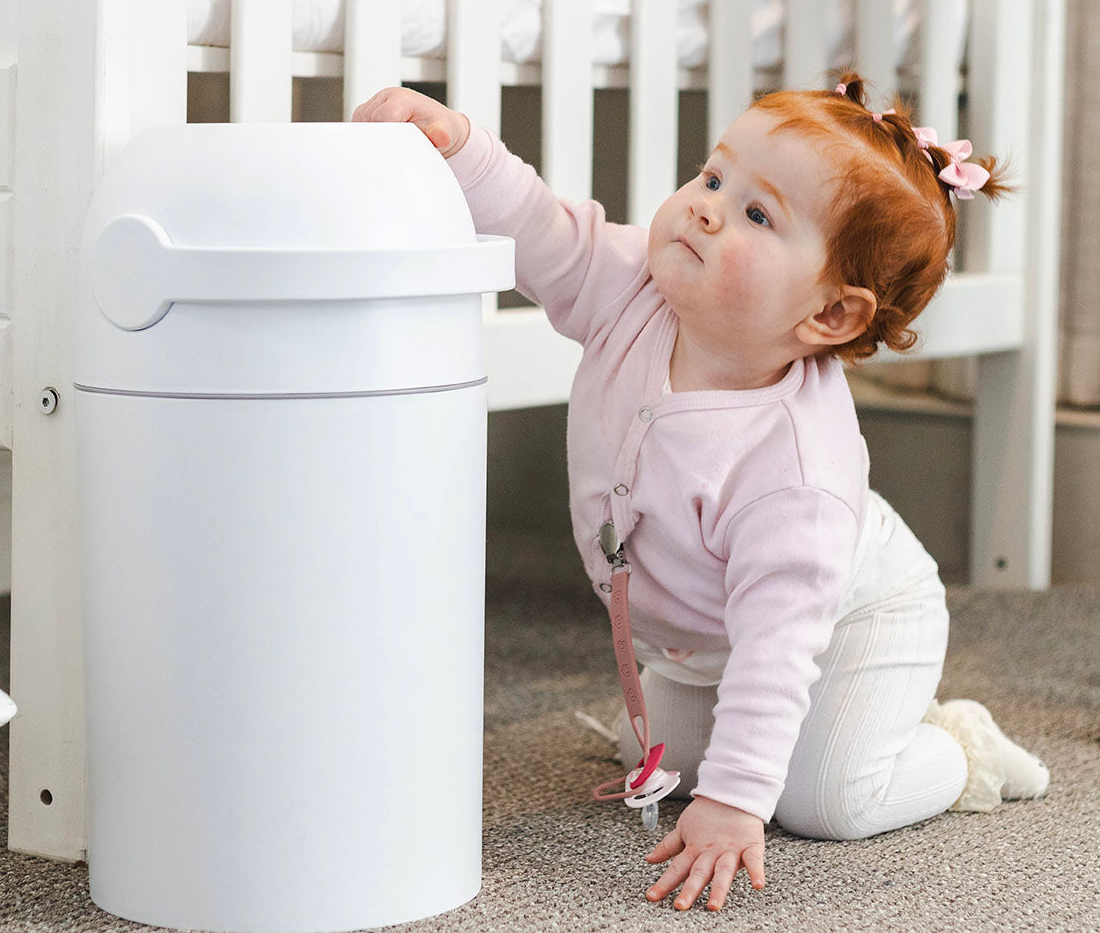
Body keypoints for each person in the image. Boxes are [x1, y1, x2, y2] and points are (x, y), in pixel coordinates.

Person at [352, 76, 1050, 913]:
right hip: (707, 638)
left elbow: (776, 650)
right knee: (658, 759)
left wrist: (736, 802)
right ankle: (771, 736)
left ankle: (961, 747)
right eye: (713, 176)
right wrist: (461, 147)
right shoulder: (635, 288)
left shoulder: (797, 477)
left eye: (757, 214)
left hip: (853, 618)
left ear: (830, 315)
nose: (706, 209)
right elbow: (543, 229)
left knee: (822, 801)